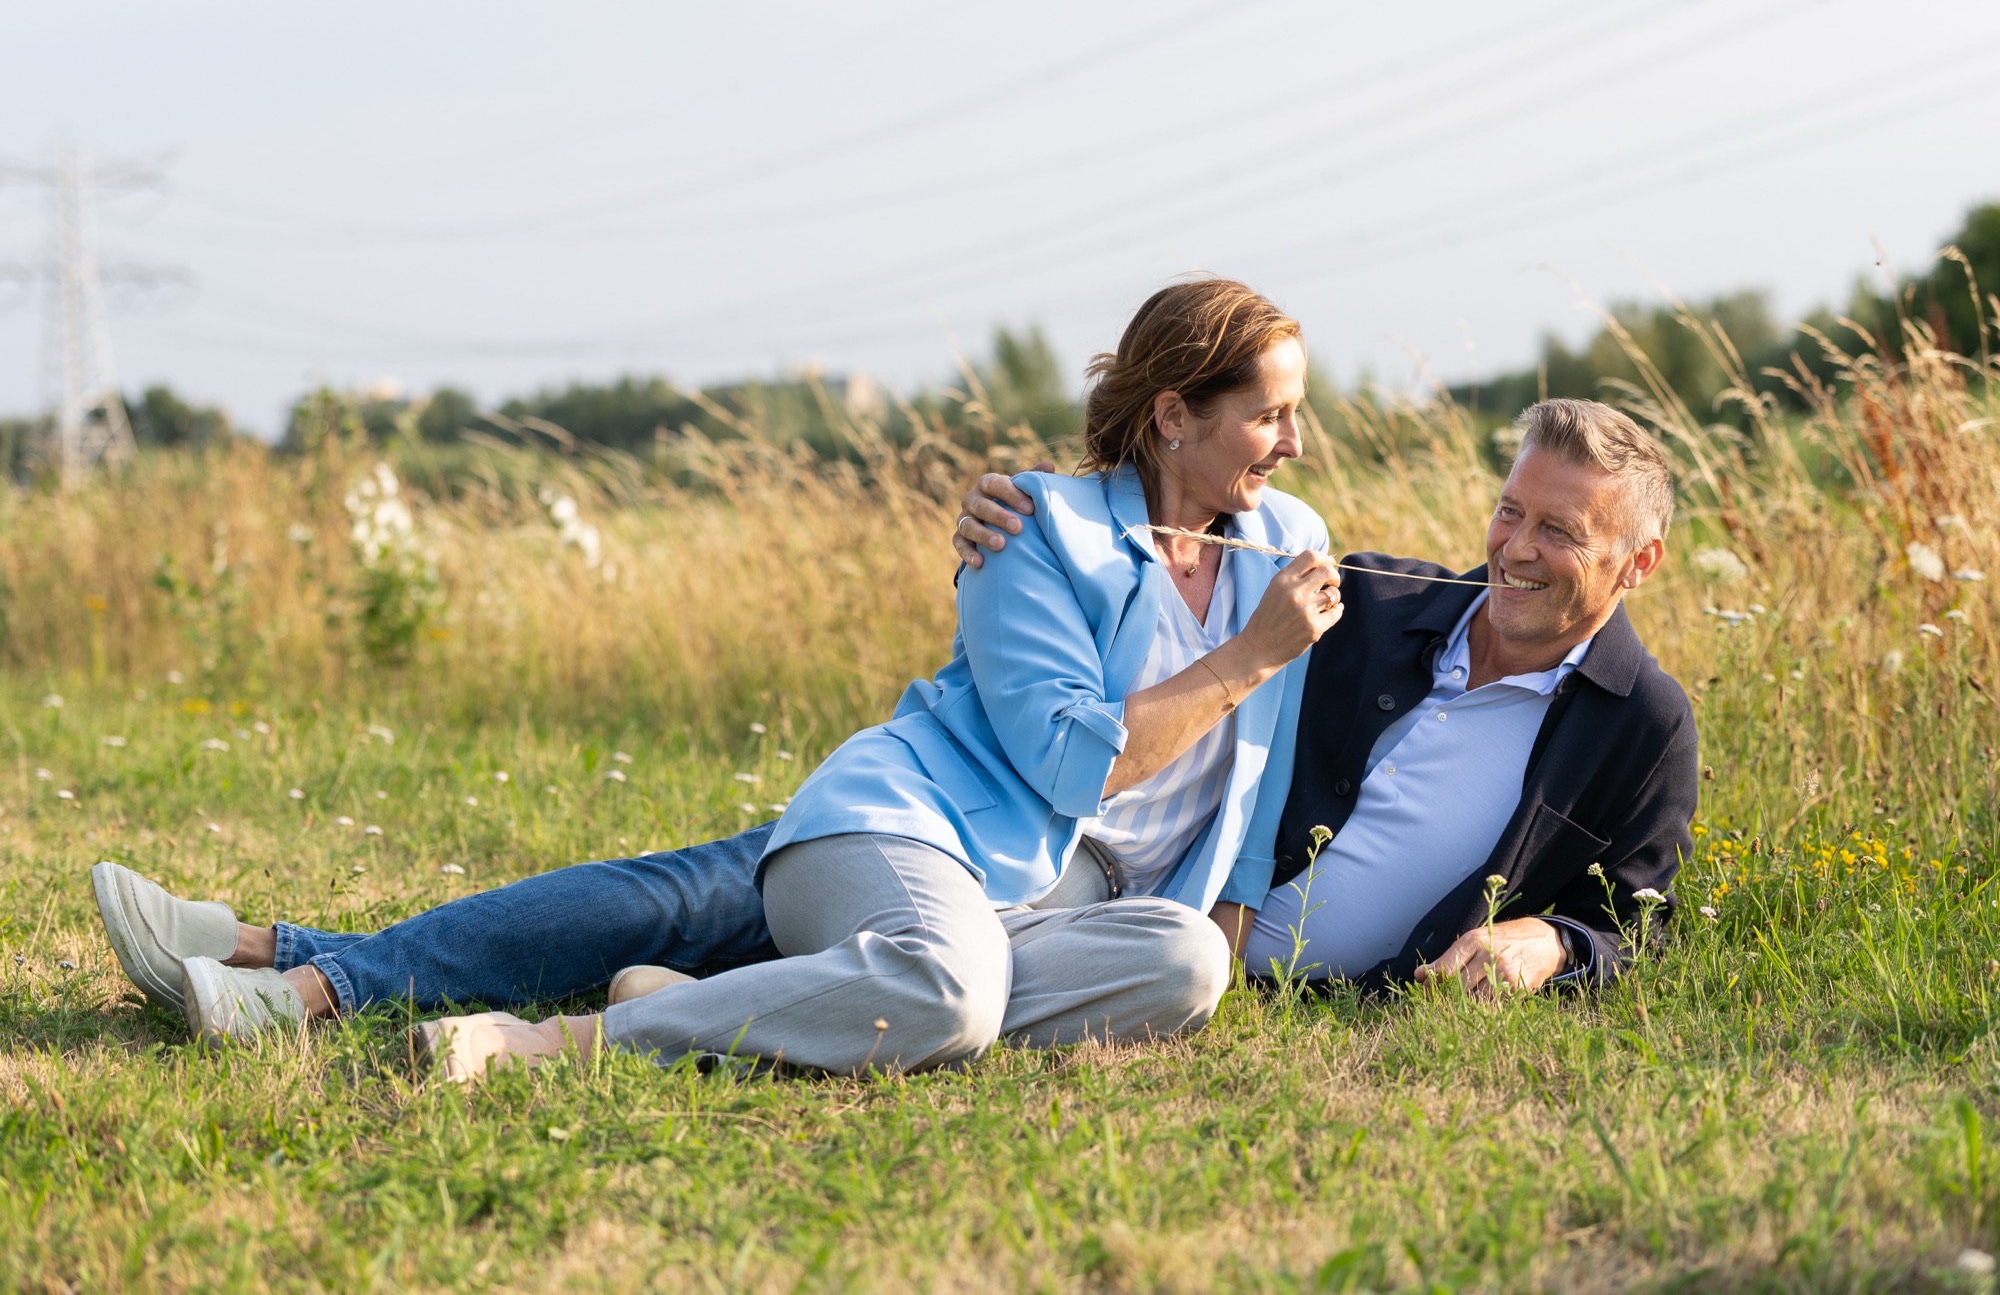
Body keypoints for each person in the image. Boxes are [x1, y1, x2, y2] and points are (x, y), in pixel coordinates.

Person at [94, 278, 1344, 1074]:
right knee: (695, 899)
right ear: (1172, 413)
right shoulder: (1034, 529)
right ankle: (375, 995)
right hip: (926, 826)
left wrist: (1227, 914)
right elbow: (1076, 757)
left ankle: (735, 999)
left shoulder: (1284, 543)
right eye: (1269, 414)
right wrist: (1244, 658)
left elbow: (1259, 766)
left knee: (1178, 967)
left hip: (1059, 896)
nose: (1293, 443)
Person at [958, 396, 1698, 995]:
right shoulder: (1371, 602)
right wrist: (1045, 526)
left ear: (1640, 561)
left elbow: (1638, 921)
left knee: (957, 981)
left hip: (1198, 971)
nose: (1517, 547)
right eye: (1511, 511)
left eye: (1559, 530)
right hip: (1136, 888)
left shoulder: (1642, 721)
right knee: (946, 950)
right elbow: (1179, 575)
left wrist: (1554, 940)